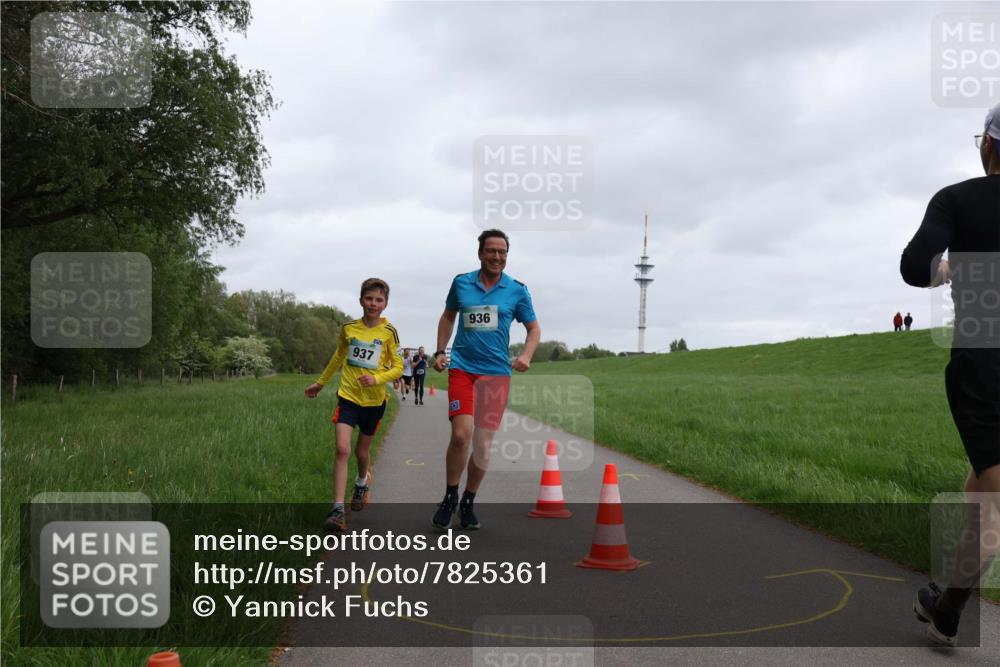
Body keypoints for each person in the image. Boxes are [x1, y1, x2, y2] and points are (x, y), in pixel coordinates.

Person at [902, 103, 1000, 646]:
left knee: (991, 505)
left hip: (983, 365)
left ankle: (948, 607)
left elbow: (914, 265)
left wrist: (949, 267)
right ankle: (948, 608)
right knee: (983, 495)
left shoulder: (957, 199)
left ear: (987, 144)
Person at [431, 229, 541, 530]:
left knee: (481, 445)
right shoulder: (461, 283)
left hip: (496, 374)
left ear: (507, 255)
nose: (496, 257)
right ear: (480, 253)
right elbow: (448, 316)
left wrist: (527, 356)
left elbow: (533, 329)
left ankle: (468, 500)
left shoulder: (517, 290)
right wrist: (441, 350)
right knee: (460, 436)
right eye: (491, 251)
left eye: (502, 252)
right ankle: (450, 496)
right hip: (463, 369)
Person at [304, 278, 403, 532]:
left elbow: (398, 367)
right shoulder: (349, 329)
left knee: (361, 453)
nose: (373, 303)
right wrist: (320, 383)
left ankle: (361, 482)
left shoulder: (389, 332)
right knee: (342, 449)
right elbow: (338, 356)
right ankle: (337, 510)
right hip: (348, 396)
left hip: (374, 401)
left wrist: (377, 378)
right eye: (369, 298)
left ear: (385, 304)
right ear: (361, 301)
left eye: (378, 300)